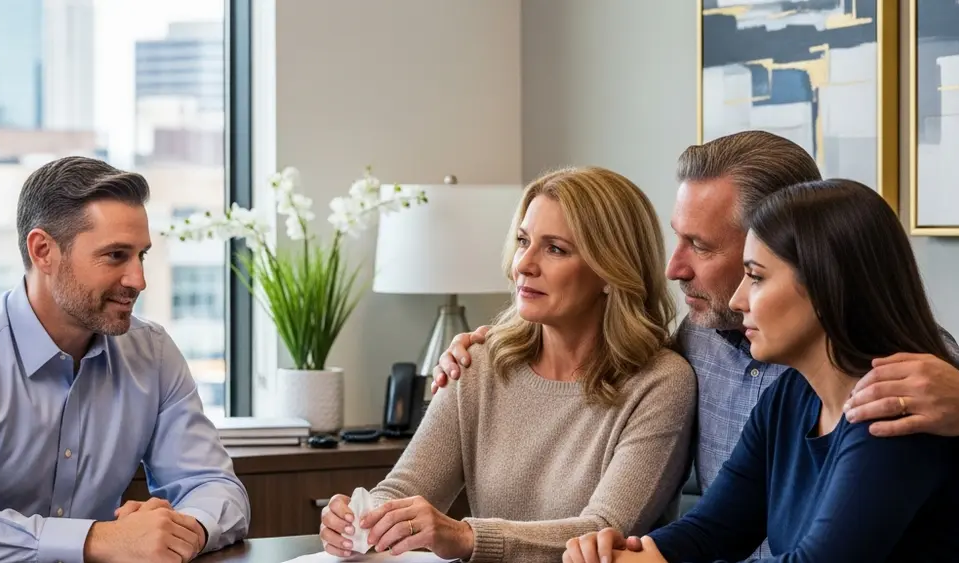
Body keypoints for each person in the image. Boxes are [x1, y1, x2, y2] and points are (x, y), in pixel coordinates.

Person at [434, 131, 959, 557]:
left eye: (702, 247)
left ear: (814, 266)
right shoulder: (739, 367)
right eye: (677, 237)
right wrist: (499, 348)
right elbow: (711, 527)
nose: (673, 268)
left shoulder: (908, 392)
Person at [564, 179, 959, 562]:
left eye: (755, 277)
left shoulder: (894, 409)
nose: (738, 300)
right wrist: (627, 553)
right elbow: (713, 529)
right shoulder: (789, 395)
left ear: (827, 286)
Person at [318, 166, 697, 562]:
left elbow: (602, 531)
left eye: (555, 249)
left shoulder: (660, 383)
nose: (524, 264)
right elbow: (404, 489)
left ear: (610, 270)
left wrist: (466, 536)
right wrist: (359, 520)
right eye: (522, 241)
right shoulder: (478, 363)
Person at [0, 156, 250, 563]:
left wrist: (183, 531)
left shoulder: (152, 352)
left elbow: (213, 485)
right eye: (115, 255)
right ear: (43, 251)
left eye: (141, 256)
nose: (138, 280)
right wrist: (95, 540)